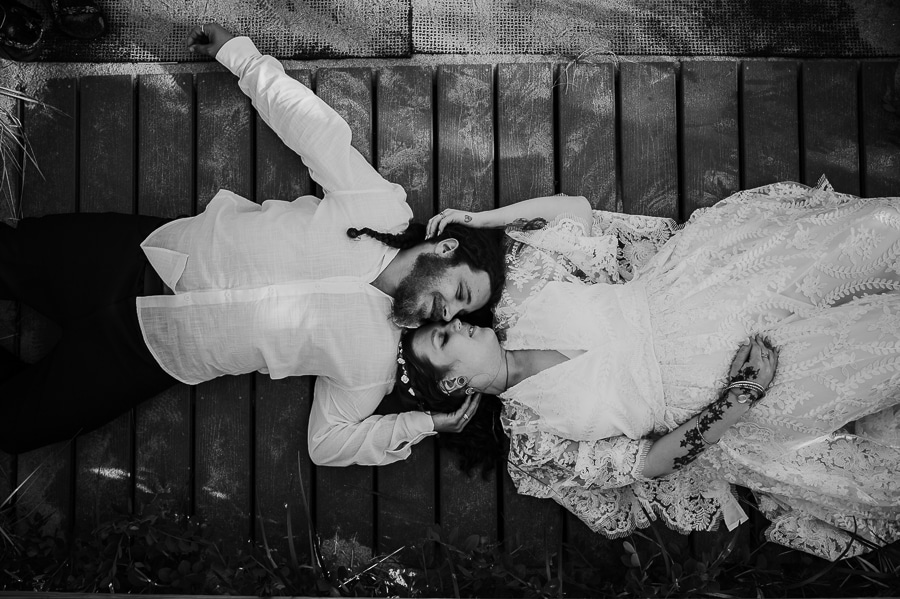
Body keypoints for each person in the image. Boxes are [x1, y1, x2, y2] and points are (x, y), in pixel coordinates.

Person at [0, 23, 505, 465]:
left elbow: (327, 445)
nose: (446, 313)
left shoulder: (373, 371)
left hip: (148, 354)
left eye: (457, 316)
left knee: (15, 427)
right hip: (138, 255)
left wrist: (424, 426)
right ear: (445, 249)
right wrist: (240, 55)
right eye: (460, 293)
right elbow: (315, 132)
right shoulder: (381, 210)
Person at [397, 179, 900, 560]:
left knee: (862, 247)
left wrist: (483, 219)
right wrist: (740, 397)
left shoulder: (521, 294)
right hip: (726, 392)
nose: (458, 324)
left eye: (448, 321)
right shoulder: (534, 442)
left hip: (700, 294)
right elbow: (650, 462)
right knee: (879, 347)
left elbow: (574, 212)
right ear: (455, 382)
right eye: (444, 335)